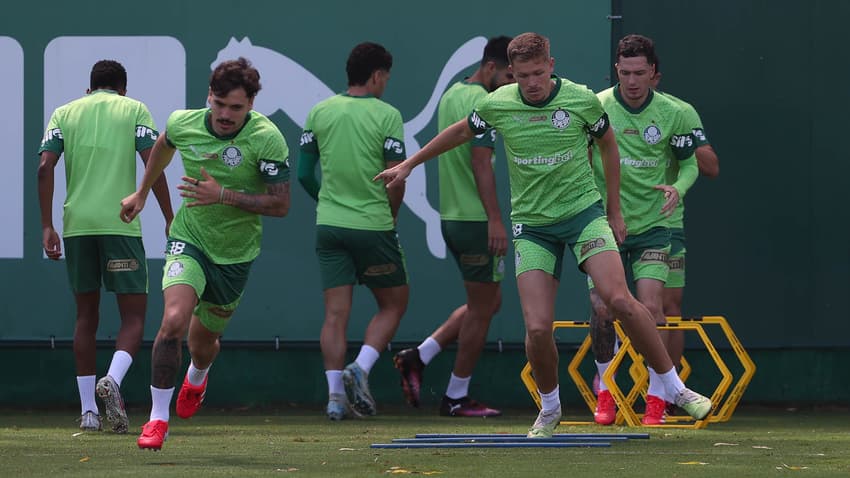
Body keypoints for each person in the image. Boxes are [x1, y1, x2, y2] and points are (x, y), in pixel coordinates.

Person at [375, 32, 712, 438]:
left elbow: (607, 143)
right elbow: (461, 132)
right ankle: (550, 408)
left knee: (619, 299)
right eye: (522, 76)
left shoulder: (581, 100)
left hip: (583, 215)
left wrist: (614, 209)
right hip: (532, 227)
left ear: (551, 65)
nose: (531, 83)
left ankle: (675, 388)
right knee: (537, 328)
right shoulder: (498, 103)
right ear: (510, 75)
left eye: (538, 73)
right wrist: (409, 164)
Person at [120, 57, 291, 450]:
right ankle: (157, 419)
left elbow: (280, 206)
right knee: (174, 320)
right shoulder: (184, 122)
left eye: (236, 107)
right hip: (190, 238)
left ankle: (197, 375)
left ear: (251, 105)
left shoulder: (267, 138)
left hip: (235, 254)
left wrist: (224, 195)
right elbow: (163, 145)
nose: (225, 114)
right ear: (208, 97)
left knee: (202, 344)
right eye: (219, 104)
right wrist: (142, 192)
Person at [37, 60, 173, 434]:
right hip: (121, 224)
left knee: (86, 317)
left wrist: (47, 225)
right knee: (133, 318)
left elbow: (44, 167)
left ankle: (88, 413)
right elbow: (153, 163)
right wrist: (168, 215)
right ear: (122, 89)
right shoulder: (134, 109)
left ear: (89, 89)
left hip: (77, 227)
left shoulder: (64, 112)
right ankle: (112, 379)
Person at [392, 36, 513, 417]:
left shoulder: (451, 95)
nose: (514, 84)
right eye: (510, 75)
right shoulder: (485, 102)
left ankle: (419, 355)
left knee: (489, 302)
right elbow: (480, 163)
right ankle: (455, 397)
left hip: (453, 219)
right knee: (482, 308)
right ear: (490, 68)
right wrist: (495, 218)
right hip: (476, 221)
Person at [587, 34, 700, 426]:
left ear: (653, 73)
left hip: (654, 225)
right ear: (615, 70)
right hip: (603, 224)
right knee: (603, 308)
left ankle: (656, 396)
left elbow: (691, 164)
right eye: (624, 73)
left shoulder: (674, 112)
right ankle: (605, 390)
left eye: (639, 73)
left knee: (652, 308)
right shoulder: (597, 106)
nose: (631, 81)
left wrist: (678, 187)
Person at [297, 42, 408, 420]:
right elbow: (396, 178)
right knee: (394, 303)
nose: (387, 84)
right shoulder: (387, 114)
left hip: (329, 226)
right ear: (377, 75)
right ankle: (359, 367)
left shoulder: (319, 111)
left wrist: (327, 201)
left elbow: (302, 175)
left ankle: (334, 399)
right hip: (373, 225)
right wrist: (389, 217)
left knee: (334, 314)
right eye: (388, 78)